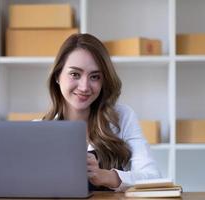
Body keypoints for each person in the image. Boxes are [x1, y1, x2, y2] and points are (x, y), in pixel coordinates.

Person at [43, 33, 161, 192]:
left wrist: (106, 176)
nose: (84, 87)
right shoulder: (39, 130)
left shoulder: (122, 117)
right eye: (75, 74)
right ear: (58, 75)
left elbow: (153, 178)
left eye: (95, 77)